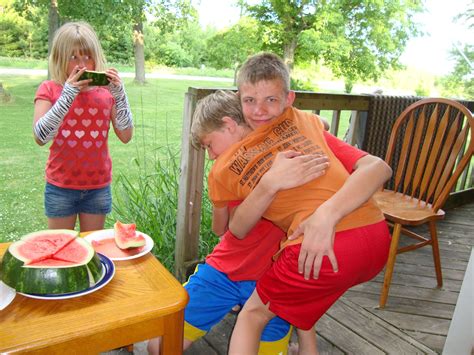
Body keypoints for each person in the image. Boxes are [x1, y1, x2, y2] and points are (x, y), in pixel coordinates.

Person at [202, 52, 392, 354]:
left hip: (323, 244)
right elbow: (234, 228)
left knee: (252, 316)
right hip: (376, 238)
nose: (260, 111)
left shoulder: (306, 123)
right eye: (249, 101)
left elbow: (379, 167)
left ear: (289, 99)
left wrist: (326, 215)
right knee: (304, 315)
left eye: (271, 101)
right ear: (239, 100)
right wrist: (270, 182)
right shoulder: (304, 122)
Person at [147, 90, 331, 355]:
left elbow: (220, 229)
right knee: (159, 346)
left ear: (230, 125)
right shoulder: (229, 171)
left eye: (209, 144)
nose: (210, 155)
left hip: (272, 280)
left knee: (160, 348)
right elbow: (227, 230)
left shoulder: (275, 154)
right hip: (225, 272)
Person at [33, 21, 133, 232]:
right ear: (60, 59)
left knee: (93, 252)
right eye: (73, 57)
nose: (83, 64)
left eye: (88, 56)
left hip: (97, 187)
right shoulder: (49, 89)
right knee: (62, 250)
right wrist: (67, 95)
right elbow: (41, 136)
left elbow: (126, 134)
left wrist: (120, 95)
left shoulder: (106, 93)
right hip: (60, 187)